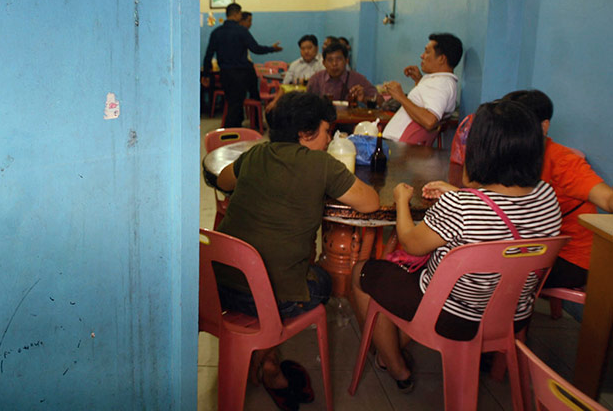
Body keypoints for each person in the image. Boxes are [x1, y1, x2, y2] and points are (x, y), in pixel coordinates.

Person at [349, 100, 560, 393]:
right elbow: (502, 210)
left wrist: (400, 201)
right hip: (512, 315)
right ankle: (393, 347)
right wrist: (462, 194)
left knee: (363, 272)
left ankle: (395, 365)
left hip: (452, 317)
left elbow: (412, 242)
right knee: (396, 280)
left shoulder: (460, 206)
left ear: (481, 150)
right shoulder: (547, 197)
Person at [216, 92, 379, 404]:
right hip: (269, 298)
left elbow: (224, 180)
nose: (330, 138)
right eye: (327, 131)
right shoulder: (321, 164)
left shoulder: (257, 154)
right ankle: (264, 355)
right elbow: (370, 202)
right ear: (306, 133)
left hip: (220, 286)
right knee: (325, 280)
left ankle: (265, 358)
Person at [451, 90, 613, 290]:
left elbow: (607, 199)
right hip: (527, 245)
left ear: (543, 127)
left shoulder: (564, 162)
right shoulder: (513, 152)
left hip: (567, 259)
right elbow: (472, 183)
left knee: (472, 265)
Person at [203, 3, 282, 127]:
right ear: (236, 14)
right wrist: (272, 49)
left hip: (225, 74)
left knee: (232, 102)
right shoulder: (242, 31)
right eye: (240, 13)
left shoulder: (216, 32)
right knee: (236, 104)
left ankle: (237, 126)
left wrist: (206, 75)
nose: (241, 15)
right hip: (241, 73)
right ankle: (231, 131)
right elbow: (255, 48)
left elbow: (208, 55)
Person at [382, 33, 463, 145]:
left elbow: (429, 121)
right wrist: (419, 80)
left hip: (396, 145)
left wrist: (400, 97)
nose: (422, 55)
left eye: (427, 52)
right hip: (397, 143)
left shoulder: (441, 84)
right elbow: (430, 100)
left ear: (441, 59)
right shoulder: (442, 82)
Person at [306, 42, 376, 104]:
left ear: (346, 61)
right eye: (330, 60)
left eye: (339, 59)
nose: (334, 64)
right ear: (324, 63)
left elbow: (380, 101)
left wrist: (364, 99)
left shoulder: (358, 79)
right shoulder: (316, 80)